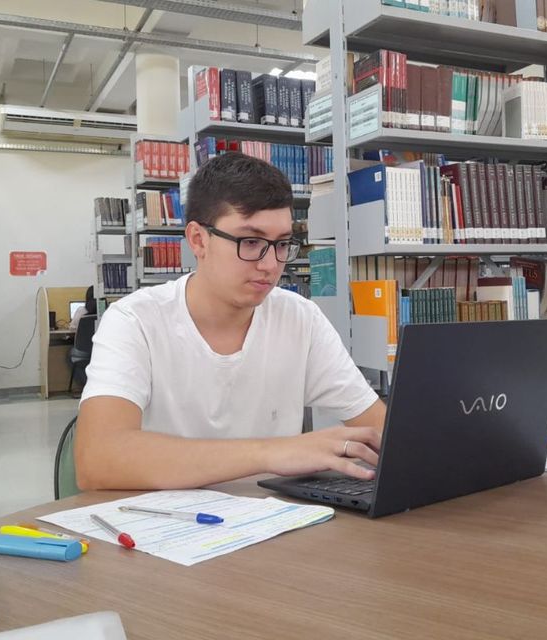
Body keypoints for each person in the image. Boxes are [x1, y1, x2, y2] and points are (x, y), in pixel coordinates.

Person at [75, 153, 386, 491]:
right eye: (250, 242)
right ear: (198, 240)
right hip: (167, 527)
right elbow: (98, 459)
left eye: (282, 244)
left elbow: (378, 428)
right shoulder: (134, 321)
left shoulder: (300, 318)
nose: (270, 264)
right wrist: (272, 453)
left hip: (277, 526)